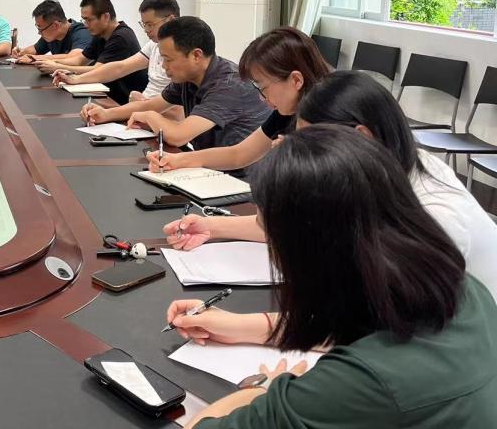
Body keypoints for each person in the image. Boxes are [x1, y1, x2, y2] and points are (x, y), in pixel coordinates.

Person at [172, 125, 497, 429]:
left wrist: (263, 389)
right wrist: (241, 327)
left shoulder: (355, 386)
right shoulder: (463, 290)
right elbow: (366, 327)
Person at [164, 70, 497, 300]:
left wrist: (251, 327)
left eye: (316, 142)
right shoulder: (382, 170)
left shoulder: (434, 215)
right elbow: (302, 227)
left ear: (361, 136)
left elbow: (378, 326)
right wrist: (212, 226)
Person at [147, 27, 329, 173]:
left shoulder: (332, 115)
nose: (262, 98)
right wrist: (178, 160)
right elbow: (239, 154)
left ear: (296, 80)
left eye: (263, 88)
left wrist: (301, 158)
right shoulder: (284, 112)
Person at [115, 17, 269, 151]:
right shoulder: (189, 76)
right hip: (208, 165)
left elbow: (177, 136)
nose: (163, 66)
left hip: (238, 173)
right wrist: (106, 114)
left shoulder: (229, 85)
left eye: (168, 59)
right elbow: (152, 105)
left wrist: (150, 117)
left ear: (196, 55)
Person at [57, 0, 178, 118]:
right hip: (142, 112)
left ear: (170, 20)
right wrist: (76, 79)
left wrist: (141, 104)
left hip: (152, 115)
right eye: (144, 25)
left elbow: (178, 112)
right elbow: (120, 67)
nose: (146, 30)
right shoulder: (153, 44)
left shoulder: (182, 54)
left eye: (150, 24)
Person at [34, 0, 148, 104]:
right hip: (108, 94)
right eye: (84, 20)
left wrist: (58, 67)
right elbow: (79, 60)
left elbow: (98, 70)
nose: (85, 24)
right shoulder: (100, 34)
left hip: (126, 101)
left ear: (105, 17)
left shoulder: (121, 37)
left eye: (89, 20)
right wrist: (48, 62)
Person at [12, 0, 90, 62]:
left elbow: (75, 57)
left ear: (55, 25)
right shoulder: (52, 36)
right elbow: (35, 49)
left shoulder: (82, 33)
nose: (39, 33)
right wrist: (21, 51)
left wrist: (34, 58)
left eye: (41, 29)